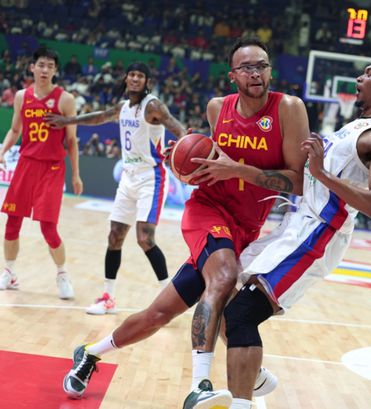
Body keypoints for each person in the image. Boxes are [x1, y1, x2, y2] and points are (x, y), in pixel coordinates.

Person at [61, 37, 309, 403]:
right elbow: (208, 160)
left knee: (159, 314)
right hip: (208, 210)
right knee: (223, 277)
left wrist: (237, 170)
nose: (256, 73)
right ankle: (199, 386)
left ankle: (89, 353)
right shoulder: (217, 108)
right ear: (232, 75)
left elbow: (299, 182)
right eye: (247, 67)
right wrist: (183, 162)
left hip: (244, 228)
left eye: (262, 65)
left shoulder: (288, 108)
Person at [184, 49, 371, 409]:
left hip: (318, 236)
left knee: (242, 314)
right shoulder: (353, 126)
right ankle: (256, 378)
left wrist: (321, 173)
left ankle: (242, 401)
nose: (360, 78)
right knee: (223, 291)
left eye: (369, 74)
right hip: (295, 226)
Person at [46, 61, 186, 315]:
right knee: (114, 237)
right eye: (132, 74)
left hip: (151, 178)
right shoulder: (123, 107)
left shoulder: (152, 105)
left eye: (140, 75)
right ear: (126, 78)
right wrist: (68, 120)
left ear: (147, 81)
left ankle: (171, 298)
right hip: (128, 178)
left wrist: (184, 143)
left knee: (145, 239)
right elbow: (99, 117)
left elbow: (177, 127)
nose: (135, 79)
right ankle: (108, 298)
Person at [0, 46, 83, 299]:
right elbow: (14, 130)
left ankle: (62, 275)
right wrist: (0, 154)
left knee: (48, 228)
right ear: (32, 67)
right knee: (12, 222)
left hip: (52, 168)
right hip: (26, 164)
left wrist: (76, 174)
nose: (44, 70)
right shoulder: (22, 96)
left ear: (55, 71)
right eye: (41, 65)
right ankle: (9, 273)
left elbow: (71, 141)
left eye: (50, 66)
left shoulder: (65, 100)